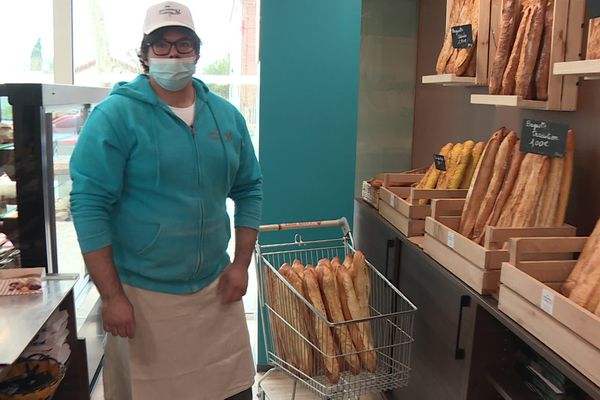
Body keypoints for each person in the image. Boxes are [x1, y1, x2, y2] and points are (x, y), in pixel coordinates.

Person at [69, 2, 262, 399]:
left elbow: (249, 189)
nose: (173, 55)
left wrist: (241, 265)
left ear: (196, 51)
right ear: (145, 54)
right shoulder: (115, 117)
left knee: (233, 391)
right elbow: (89, 206)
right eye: (162, 45)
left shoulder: (225, 117)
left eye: (183, 44)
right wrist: (112, 296)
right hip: (143, 298)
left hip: (216, 289)